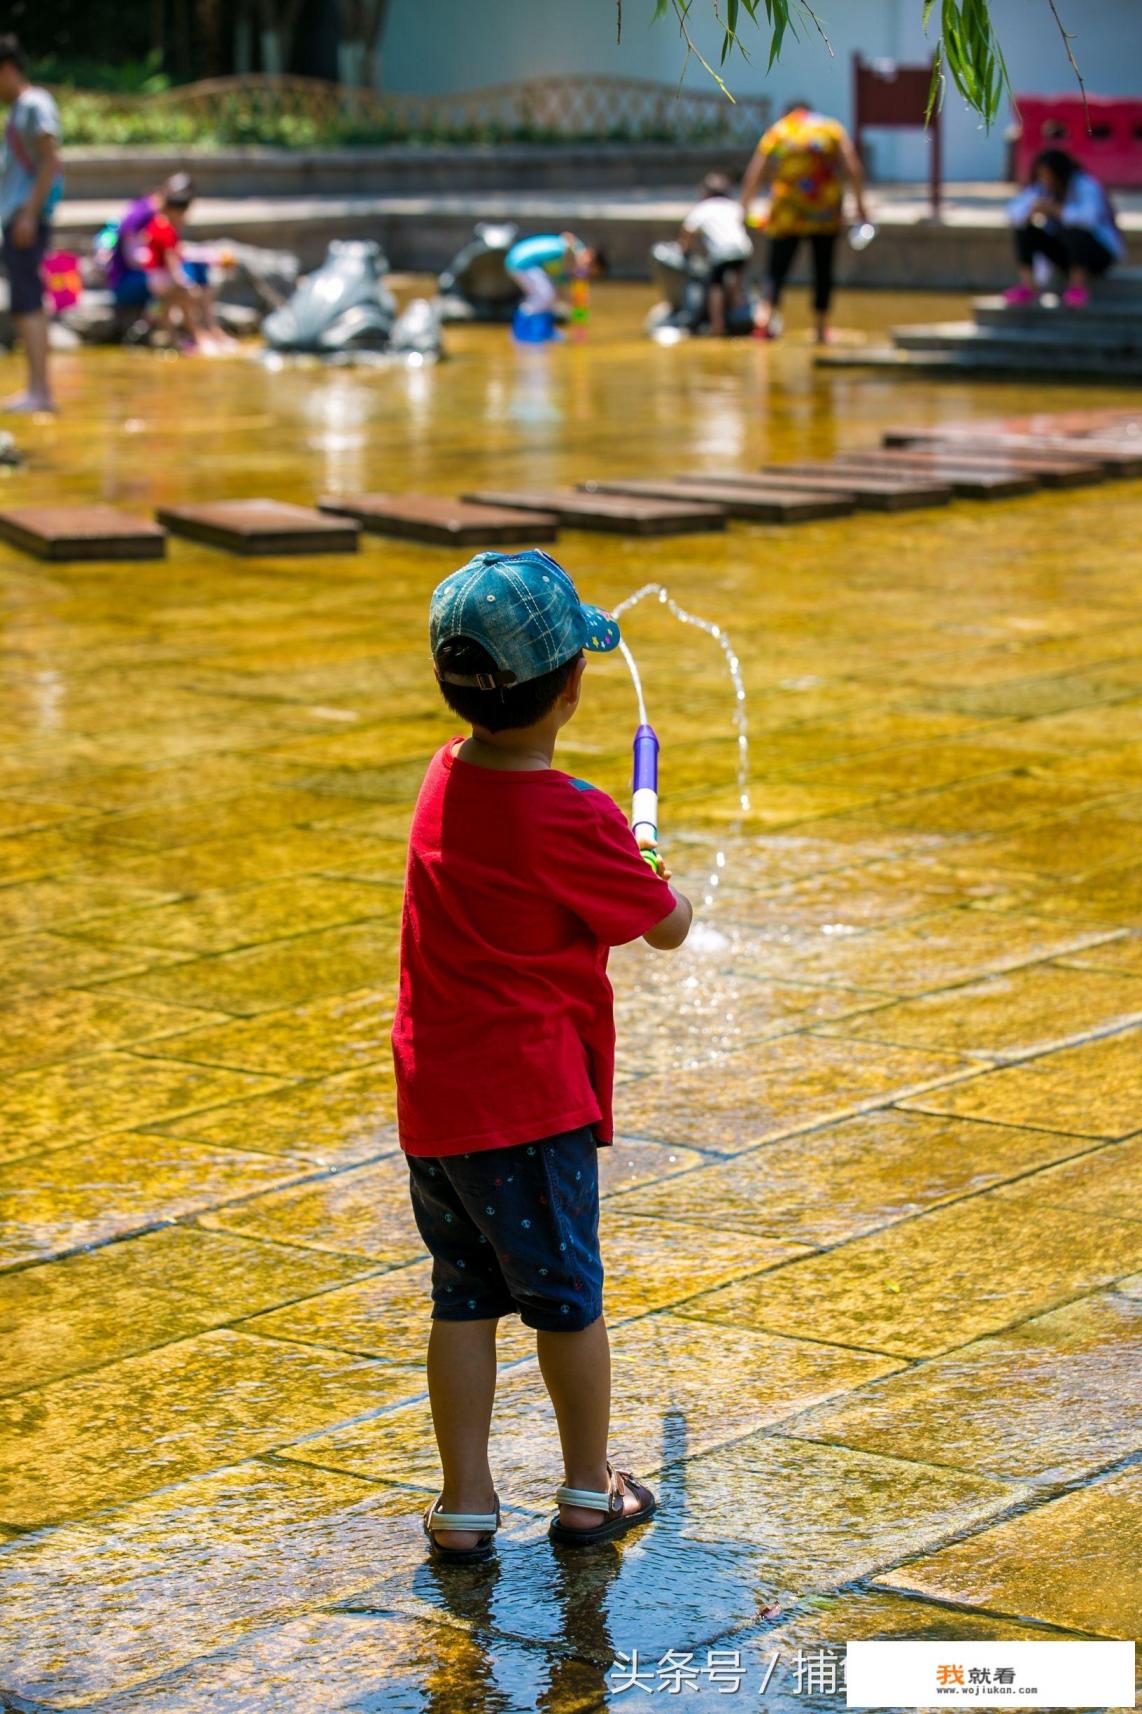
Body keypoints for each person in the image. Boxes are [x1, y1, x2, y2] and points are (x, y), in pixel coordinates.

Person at [392, 548, 693, 1562]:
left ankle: (465, 1502)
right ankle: (582, 1489)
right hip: (528, 1108)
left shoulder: (444, 777)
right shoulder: (574, 812)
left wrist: (615, 849)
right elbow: (665, 925)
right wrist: (648, 864)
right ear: (571, 687)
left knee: (462, 1297)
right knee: (566, 1301)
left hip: (437, 1107)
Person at [740, 98, 868, 344]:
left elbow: (755, 172)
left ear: (788, 113)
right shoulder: (831, 129)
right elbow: (853, 167)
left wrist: (743, 208)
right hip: (824, 209)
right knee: (823, 268)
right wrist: (861, 207)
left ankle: (765, 321)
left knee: (776, 268)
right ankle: (820, 329)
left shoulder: (779, 130)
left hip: (788, 211)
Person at [0, 35, 62, 413]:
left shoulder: (35, 103)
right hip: (17, 216)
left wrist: (28, 213)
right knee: (23, 302)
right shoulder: (19, 108)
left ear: (7, 69)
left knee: (28, 301)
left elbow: (50, 160)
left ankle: (40, 392)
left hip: (26, 219)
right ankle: (36, 389)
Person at [106, 174, 229, 351]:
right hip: (131, 279)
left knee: (195, 272)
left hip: (155, 275)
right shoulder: (148, 217)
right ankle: (193, 333)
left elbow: (172, 252)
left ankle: (203, 330)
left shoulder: (161, 222)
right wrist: (177, 276)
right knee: (181, 290)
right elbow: (138, 257)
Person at [1005, 148, 1124, 308]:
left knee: (1075, 230)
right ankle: (1029, 286)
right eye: (1042, 176)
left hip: (1098, 254)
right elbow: (1013, 212)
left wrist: (1055, 210)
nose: (1046, 180)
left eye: (1049, 176)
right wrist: (1030, 211)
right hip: (1065, 254)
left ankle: (1077, 287)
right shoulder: (1043, 188)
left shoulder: (1086, 185)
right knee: (1025, 229)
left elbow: (1088, 218)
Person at [678, 171, 754, 336]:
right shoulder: (732, 206)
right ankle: (739, 316)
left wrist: (684, 249)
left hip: (722, 252)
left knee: (716, 285)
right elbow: (743, 222)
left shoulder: (703, 208)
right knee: (736, 280)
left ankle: (717, 326)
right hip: (743, 248)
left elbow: (688, 231)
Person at [504, 230, 604, 319]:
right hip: (522, 262)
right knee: (546, 296)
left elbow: (557, 280)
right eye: (590, 270)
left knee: (549, 297)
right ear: (590, 256)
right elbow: (567, 240)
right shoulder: (573, 253)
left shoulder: (576, 250)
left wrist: (572, 302)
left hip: (520, 259)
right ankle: (524, 329)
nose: (586, 273)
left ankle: (544, 332)